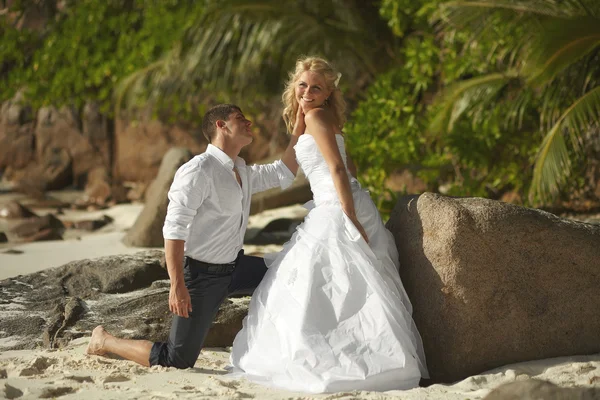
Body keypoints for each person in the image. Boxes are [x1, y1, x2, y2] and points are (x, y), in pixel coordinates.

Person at [229, 57, 429, 393]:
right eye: (302, 84)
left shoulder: (318, 117)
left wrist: (349, 217)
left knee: (338, 283)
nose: (307, 91)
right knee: (336, 284)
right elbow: (294, 166)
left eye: (316, 87)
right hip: (335, 203)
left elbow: (339, 171)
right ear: (294, 86)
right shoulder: (314, 119)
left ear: (328, 93)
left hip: (337, 207)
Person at [86, 103, 305, 368]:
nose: (249, 123)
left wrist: (300, 123)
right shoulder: (198, 170)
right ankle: (104, 341)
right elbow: (174, 230)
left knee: (291, 276)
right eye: (240, 118)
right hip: (201, 278)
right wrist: (177, 285)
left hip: (235, 268)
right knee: (177, 359)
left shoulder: (242, 171)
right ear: (220, 126)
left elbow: (285, 173)